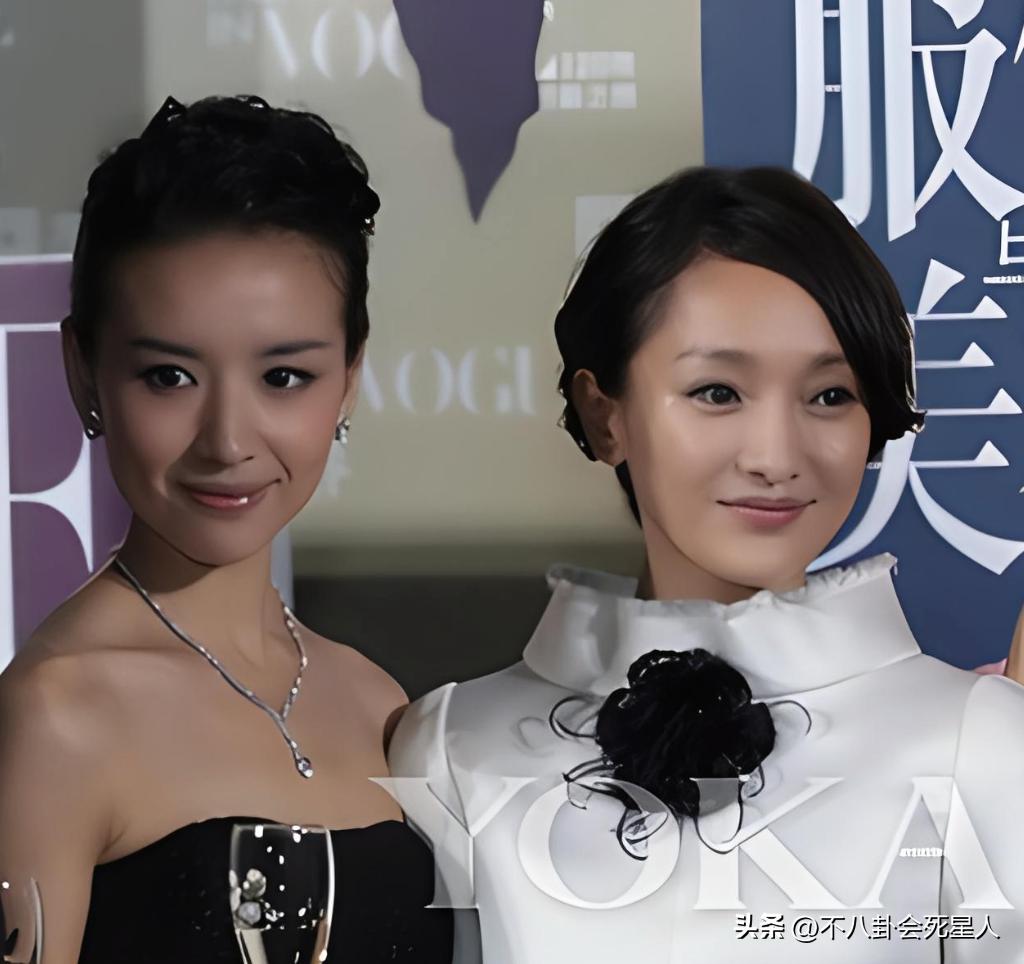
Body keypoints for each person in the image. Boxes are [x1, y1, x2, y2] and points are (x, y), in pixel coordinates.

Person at [388, 166, 1024, 962]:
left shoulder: (977, 744)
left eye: (830, 396)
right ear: (605, 414)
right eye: (718, 392)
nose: (775, 457)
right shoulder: (452, 745)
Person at [0, 95, 453, 963]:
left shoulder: (377, 702)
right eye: (169, 377)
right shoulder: (57, 717)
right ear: (83, 372)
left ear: (349, 379)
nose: (228, 442)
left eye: (284, 377)